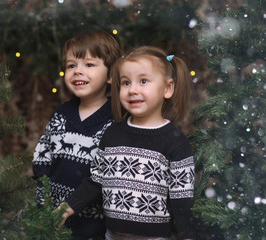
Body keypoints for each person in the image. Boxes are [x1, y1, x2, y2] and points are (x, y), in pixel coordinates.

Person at [59, 46, 196, 240]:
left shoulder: (176, 143)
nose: (132, 90)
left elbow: (182, 200)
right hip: (112, 235)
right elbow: (96, 180)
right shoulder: (112, 134)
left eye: (143, 81)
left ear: (167, 88)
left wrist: (187, 235)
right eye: (125, 82)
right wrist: (67, 208)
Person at [32, 29, 122, 240]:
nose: (78, 71)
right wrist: (43, 202)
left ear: (110, 75)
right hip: (52, 219)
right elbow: (42, 157)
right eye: (72, 65)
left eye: (89, 65)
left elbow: (107, 176)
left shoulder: (115, 120)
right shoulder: (62, 114)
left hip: (93, 226)